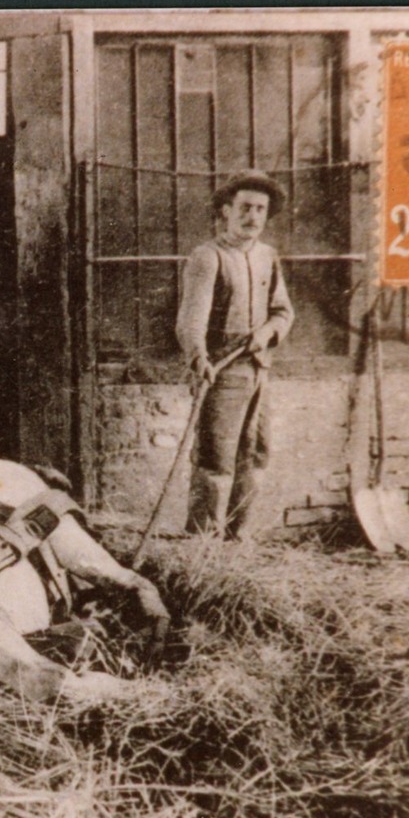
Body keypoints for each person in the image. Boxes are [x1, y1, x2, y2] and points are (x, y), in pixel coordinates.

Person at [173, 170, 296, 540]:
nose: (253, 216)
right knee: (215, 461)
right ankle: (202, 543)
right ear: (226, 211)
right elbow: (190, 321)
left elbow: (283, 311)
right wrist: (199, 359)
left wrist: (267, 333)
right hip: (223, 372)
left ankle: (236, 539)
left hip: (259, 369)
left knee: (255, 455)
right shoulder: (208, 257)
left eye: (260, 209)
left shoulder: (267, 256)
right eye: (245, 207)